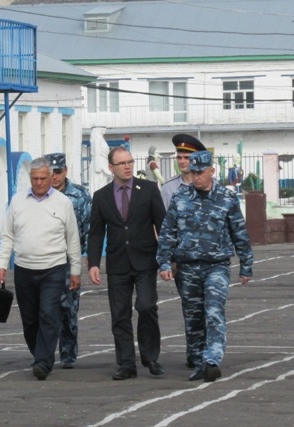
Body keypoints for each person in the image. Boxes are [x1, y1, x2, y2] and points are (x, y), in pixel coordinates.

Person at [156, 150, 253, 382]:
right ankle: (199, 362)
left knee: (214, 312)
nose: (196, 176)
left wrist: (245, 265)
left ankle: (212, 359)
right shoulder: (180, 197)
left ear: (212, 171)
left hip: (216, 266)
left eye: (201, 172)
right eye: (193, 172)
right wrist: (163, 262)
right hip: (187, 267)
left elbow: (239, 232)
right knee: (193, 318)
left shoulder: (226, 199)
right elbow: (168, 232)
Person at [0, 157, 82, 381]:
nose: (40, 183)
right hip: (24, 268)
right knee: (30, 319)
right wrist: (1, 265)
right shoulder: (17, 201)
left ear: (51, 176)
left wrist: (75, 270)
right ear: (30, 178)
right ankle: (40, 353)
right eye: (35, 179)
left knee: (48, 314)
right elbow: (8, 236)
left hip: (54, 268)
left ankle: (43, 361)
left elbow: (72, 238)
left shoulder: (63, 203)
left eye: (44, 178)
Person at [87, 146, 166, 380]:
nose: (128, 166)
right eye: (122, 163)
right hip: (117, 263)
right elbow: (96, 233)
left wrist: (167, 258)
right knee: (120, 314)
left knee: (146, 306)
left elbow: (163, 225)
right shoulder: (101, 196)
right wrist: (93, 263)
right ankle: (126, 364)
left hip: (145, 261)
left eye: (130, 162)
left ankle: (151, 357)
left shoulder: (149, 190)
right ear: (111, 167)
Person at [160, 133, 207, 368]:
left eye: (186, 156)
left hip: (210, 260)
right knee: (191, 309)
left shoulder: (213, 187)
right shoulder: (168, 189)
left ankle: (209, 353)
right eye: (179, 157)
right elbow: (163, 228)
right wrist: (167, 260)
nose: (182, 160)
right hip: (183, 260)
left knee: (212, 307)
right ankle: (195, 352)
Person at [44, 152, 91, 369]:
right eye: (50, 172)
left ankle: (68, 353)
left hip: (70, 259)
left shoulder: (80, 196)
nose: (54, 177)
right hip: (45, 260)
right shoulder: (39, 195)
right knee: (46, 309)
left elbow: (89, 228)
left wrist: (89, 259)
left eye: (58, 172)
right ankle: (44, 353)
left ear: (66, 171)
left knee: (69, 310)